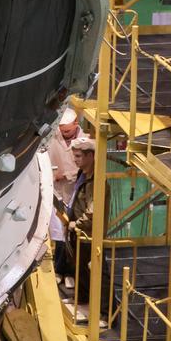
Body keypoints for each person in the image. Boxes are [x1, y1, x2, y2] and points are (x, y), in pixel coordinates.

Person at [65, 133, 109, 323]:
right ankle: (82, 299)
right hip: (79, 231)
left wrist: (78, 223)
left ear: (91, 156)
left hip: (90, 233)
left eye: (79, 156)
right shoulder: (84, 175)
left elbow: (94, 209)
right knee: (80, 267)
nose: (75, 160)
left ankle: (105, 312)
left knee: (98, 273)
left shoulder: (97, 180)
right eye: (74, 156)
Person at [48, 110, 80, 283]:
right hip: (55, 191)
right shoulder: (52, 137)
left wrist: (66, 175)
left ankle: (70, 273)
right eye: (61, 130)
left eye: (67, 131)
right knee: (59, 234)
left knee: (72, 234)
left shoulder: (86, 142)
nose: (63, 133)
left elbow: (86, 167)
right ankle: (60, 270)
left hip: (74, 192)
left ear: (76, 124)